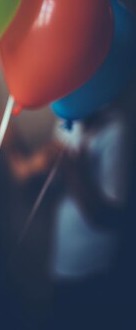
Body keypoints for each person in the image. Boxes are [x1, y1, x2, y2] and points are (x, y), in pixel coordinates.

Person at [46, 93, 133, 330]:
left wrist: (74, 170)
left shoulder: (115, 127)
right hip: (63, 256)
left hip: (95, 263)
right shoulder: (65, 118)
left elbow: (109, 215)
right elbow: (50, 186)